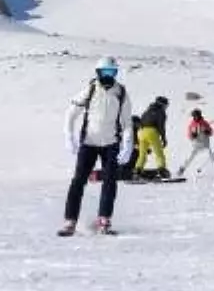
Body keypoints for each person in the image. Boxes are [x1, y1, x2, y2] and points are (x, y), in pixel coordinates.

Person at [60, 56, 135, 235]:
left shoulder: (121, 93)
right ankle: (70, 221)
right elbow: (71, 113)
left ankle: (104, 219)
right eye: (105, 72)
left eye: (112, 72)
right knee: (78, 181)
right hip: (89, 143)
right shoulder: (91, 89)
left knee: (110, 182)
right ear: (98, 72)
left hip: (111, 144)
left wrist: (127, 144)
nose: (108, 76)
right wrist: (69, 136)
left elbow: (127, 123)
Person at [135, 96, 171, 179]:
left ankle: (138, 170)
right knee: (159, 153)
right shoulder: (160, 112)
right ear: (162, 104)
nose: (166, 107)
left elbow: (141, 122)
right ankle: (162, 170)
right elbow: (161, 126)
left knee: (142, 154)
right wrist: (164, 138)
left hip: (141, 132)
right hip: (151, 132)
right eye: (166, 105)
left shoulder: (147, 111)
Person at [177, 109, 214, 176]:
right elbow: (189, 135)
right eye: (194, 116)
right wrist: (192, 136)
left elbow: (211, 132)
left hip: (205, 144)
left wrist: (208, 132)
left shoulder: (205, 123)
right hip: (195, 145)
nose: (196, 117)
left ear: (200, 115)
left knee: (211, 157)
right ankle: (182, 169)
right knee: (189, 157)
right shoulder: (192, 124)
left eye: (197, 115)